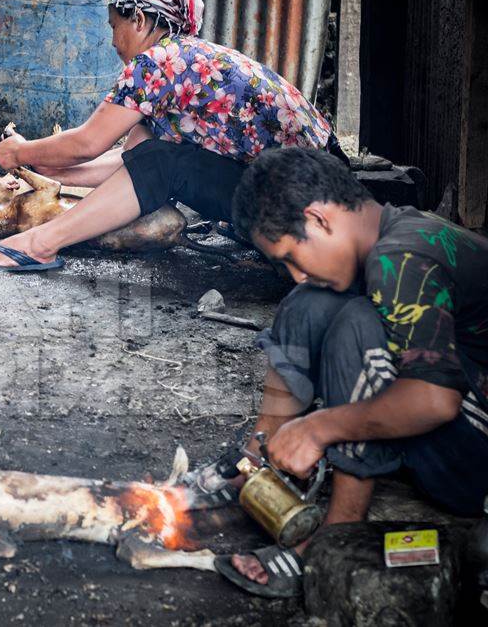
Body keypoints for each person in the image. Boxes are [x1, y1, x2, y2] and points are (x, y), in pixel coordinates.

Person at [202, 146, 488, 598]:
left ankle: (336, 538)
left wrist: (317, 429)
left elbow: (435, 399)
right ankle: (255, 461)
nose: (294, 274)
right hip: (460, 425)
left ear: (318, 219)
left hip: (478, 463)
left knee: (357, 325)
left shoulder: (402, 258)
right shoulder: (385, 237)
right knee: (309, 303)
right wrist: (272, 441)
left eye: (292, 257)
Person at [0, 0, 340, 272]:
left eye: (115, 26)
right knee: (157, 155)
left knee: (164, 162)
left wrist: (21, 151)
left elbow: (88, 144)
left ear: (141, 21)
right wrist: (59, 175)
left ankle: (40, 244)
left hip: (311, 205)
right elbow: (133, 160)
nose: (113, 40)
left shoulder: (158, 63)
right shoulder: (182, 65)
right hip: (312, 190)